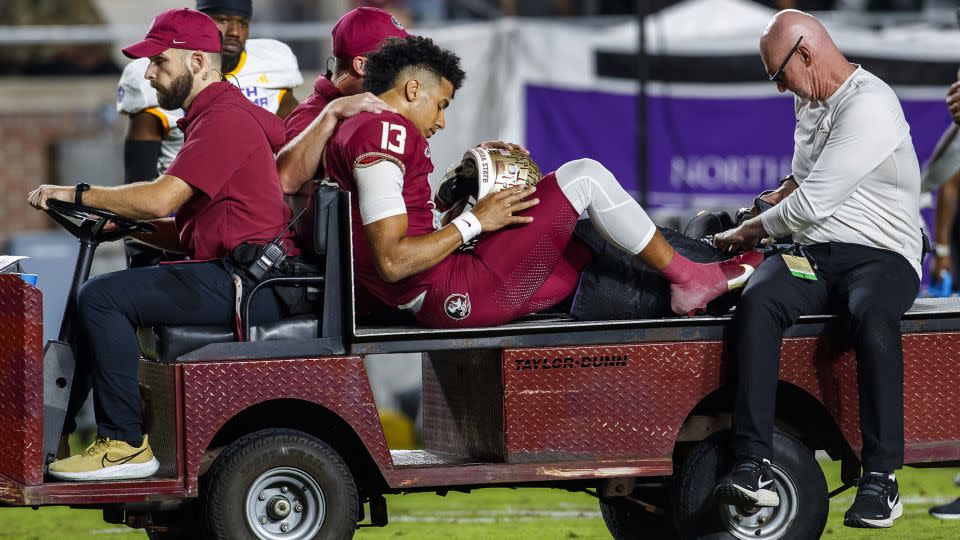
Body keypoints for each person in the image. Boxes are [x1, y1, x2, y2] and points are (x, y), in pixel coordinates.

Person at [320, 35, 762, 329]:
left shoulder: (365, 127)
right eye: (441, 104)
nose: (440, 120)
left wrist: (455, 211)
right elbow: (393, 261)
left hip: (438, 288)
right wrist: (475, 222)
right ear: (413, 90)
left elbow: (394, 231)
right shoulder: (383, 131)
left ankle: (699, 265)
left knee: (579, 249)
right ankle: (694, 277)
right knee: (584, 177)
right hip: (448, 290)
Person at [27, 8, 300, 481]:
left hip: (250, 284)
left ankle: (125, 444)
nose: (149, 72)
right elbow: (196, 223)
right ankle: (59, 433)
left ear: (197, 62)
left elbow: (160, 199)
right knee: (105, 294)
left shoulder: (224, 120)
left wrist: (72, 192)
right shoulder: (214, 116)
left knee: (103, 295)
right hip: (240, 271)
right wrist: (124, 227)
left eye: (160, 62)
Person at [710, 10, 922, 529]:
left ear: (805, 54)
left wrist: (746, 233)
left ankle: (881, 479)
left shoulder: (871, 104)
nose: (780, 89)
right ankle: (752, 463)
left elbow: (810, 206)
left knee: (871, 313)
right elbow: (804, 183)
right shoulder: (809, 104)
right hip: (818, 257)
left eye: (779, 75)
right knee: (758, 302)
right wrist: (775, 194)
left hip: (884, 254)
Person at [119, 0, 302, 268]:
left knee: (102, 296)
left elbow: (289, 137)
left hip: (236, 221)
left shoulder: (270, 67)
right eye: (222, 20)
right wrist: (135, 227)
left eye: (242, 22)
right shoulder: (157, 75)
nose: (234, 31)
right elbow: (140, 170)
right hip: (174, 208)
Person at [278, 6, 408, 194]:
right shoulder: (311, 115)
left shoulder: (375, 104)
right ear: (362, 65)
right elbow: (284, 181)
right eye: (396, 60)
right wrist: (331, 112)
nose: (404, 69)